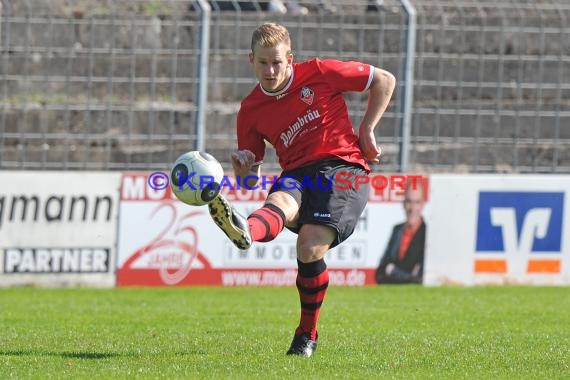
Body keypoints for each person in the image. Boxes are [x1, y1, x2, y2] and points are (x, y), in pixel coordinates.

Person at [207, 22, 396, 357]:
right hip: (297, 172)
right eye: (263, 62)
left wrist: (367, 129)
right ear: (250, 59)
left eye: (277, 62)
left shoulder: (319, 72)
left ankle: (306, 334)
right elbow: (251, 181)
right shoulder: (250, 110)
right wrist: (244, 171)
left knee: (308, 247)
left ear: (290, 58)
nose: (270, 70)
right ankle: (245, 230)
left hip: (343, 169)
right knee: (279, 198)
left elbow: (384, 79)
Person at [375, 180, 427, 284]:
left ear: (422, 204)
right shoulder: (397, 230)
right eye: (409, 201)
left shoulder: (427, 234)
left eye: (417, 202)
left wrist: (393, 271)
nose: (412, 208)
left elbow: (421, 279)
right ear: (403, 203)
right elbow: (380, 272)